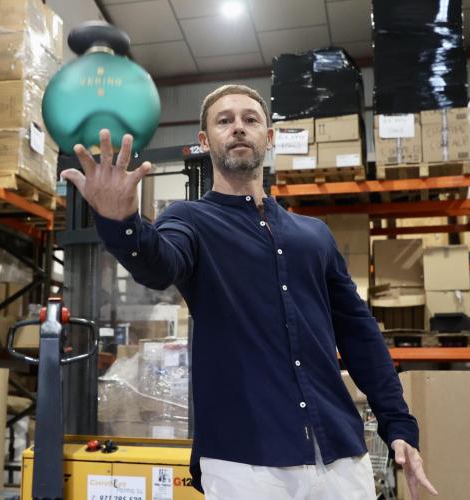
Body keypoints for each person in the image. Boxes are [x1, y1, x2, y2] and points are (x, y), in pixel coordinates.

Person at [61, 84, 438, 500]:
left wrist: (397, 423)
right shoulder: (190, 221)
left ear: (269, 136)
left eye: (250, 119)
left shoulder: (314, 235)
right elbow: (158, 264)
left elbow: (359, 334)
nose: (238, 127)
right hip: (244, 463)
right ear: (205, 141)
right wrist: (120, 222)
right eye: (224, 121)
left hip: (340, 457)